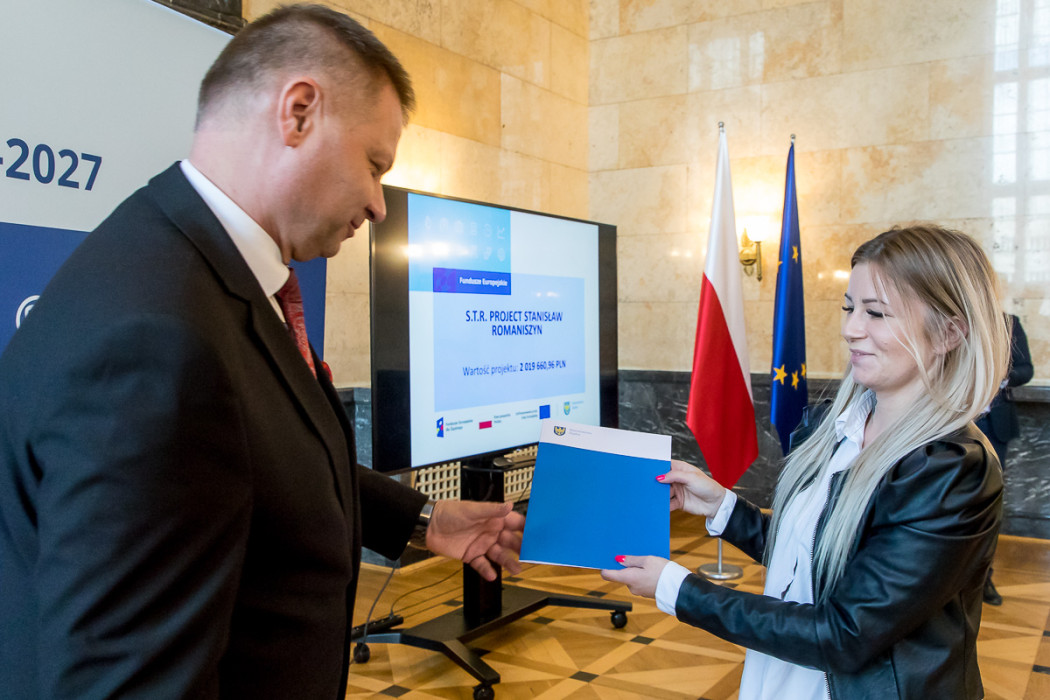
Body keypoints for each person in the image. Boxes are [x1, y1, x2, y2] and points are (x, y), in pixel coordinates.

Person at [0, 5, 522, 698]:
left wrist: (424, 518)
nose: (378, 205)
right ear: (298, 113)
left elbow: (255, 454)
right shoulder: (155, 339)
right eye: (374, 165)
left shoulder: (195, 268)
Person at [602, 225, 1009, 699]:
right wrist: (723, 508)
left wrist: (678, 588)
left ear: (948, 333)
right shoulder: (836, 426)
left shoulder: (951, 469)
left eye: (877, 313)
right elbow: (814, 557)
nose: (851, 328)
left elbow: (845, 634)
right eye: (849, 307)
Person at [975, 313, 1033, 605]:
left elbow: (1026, 369)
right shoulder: (952, 318)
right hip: (953, 423)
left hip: (994, 425)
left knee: (989, 504)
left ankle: (984, 577)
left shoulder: (1009, 322)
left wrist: (1002, 374)